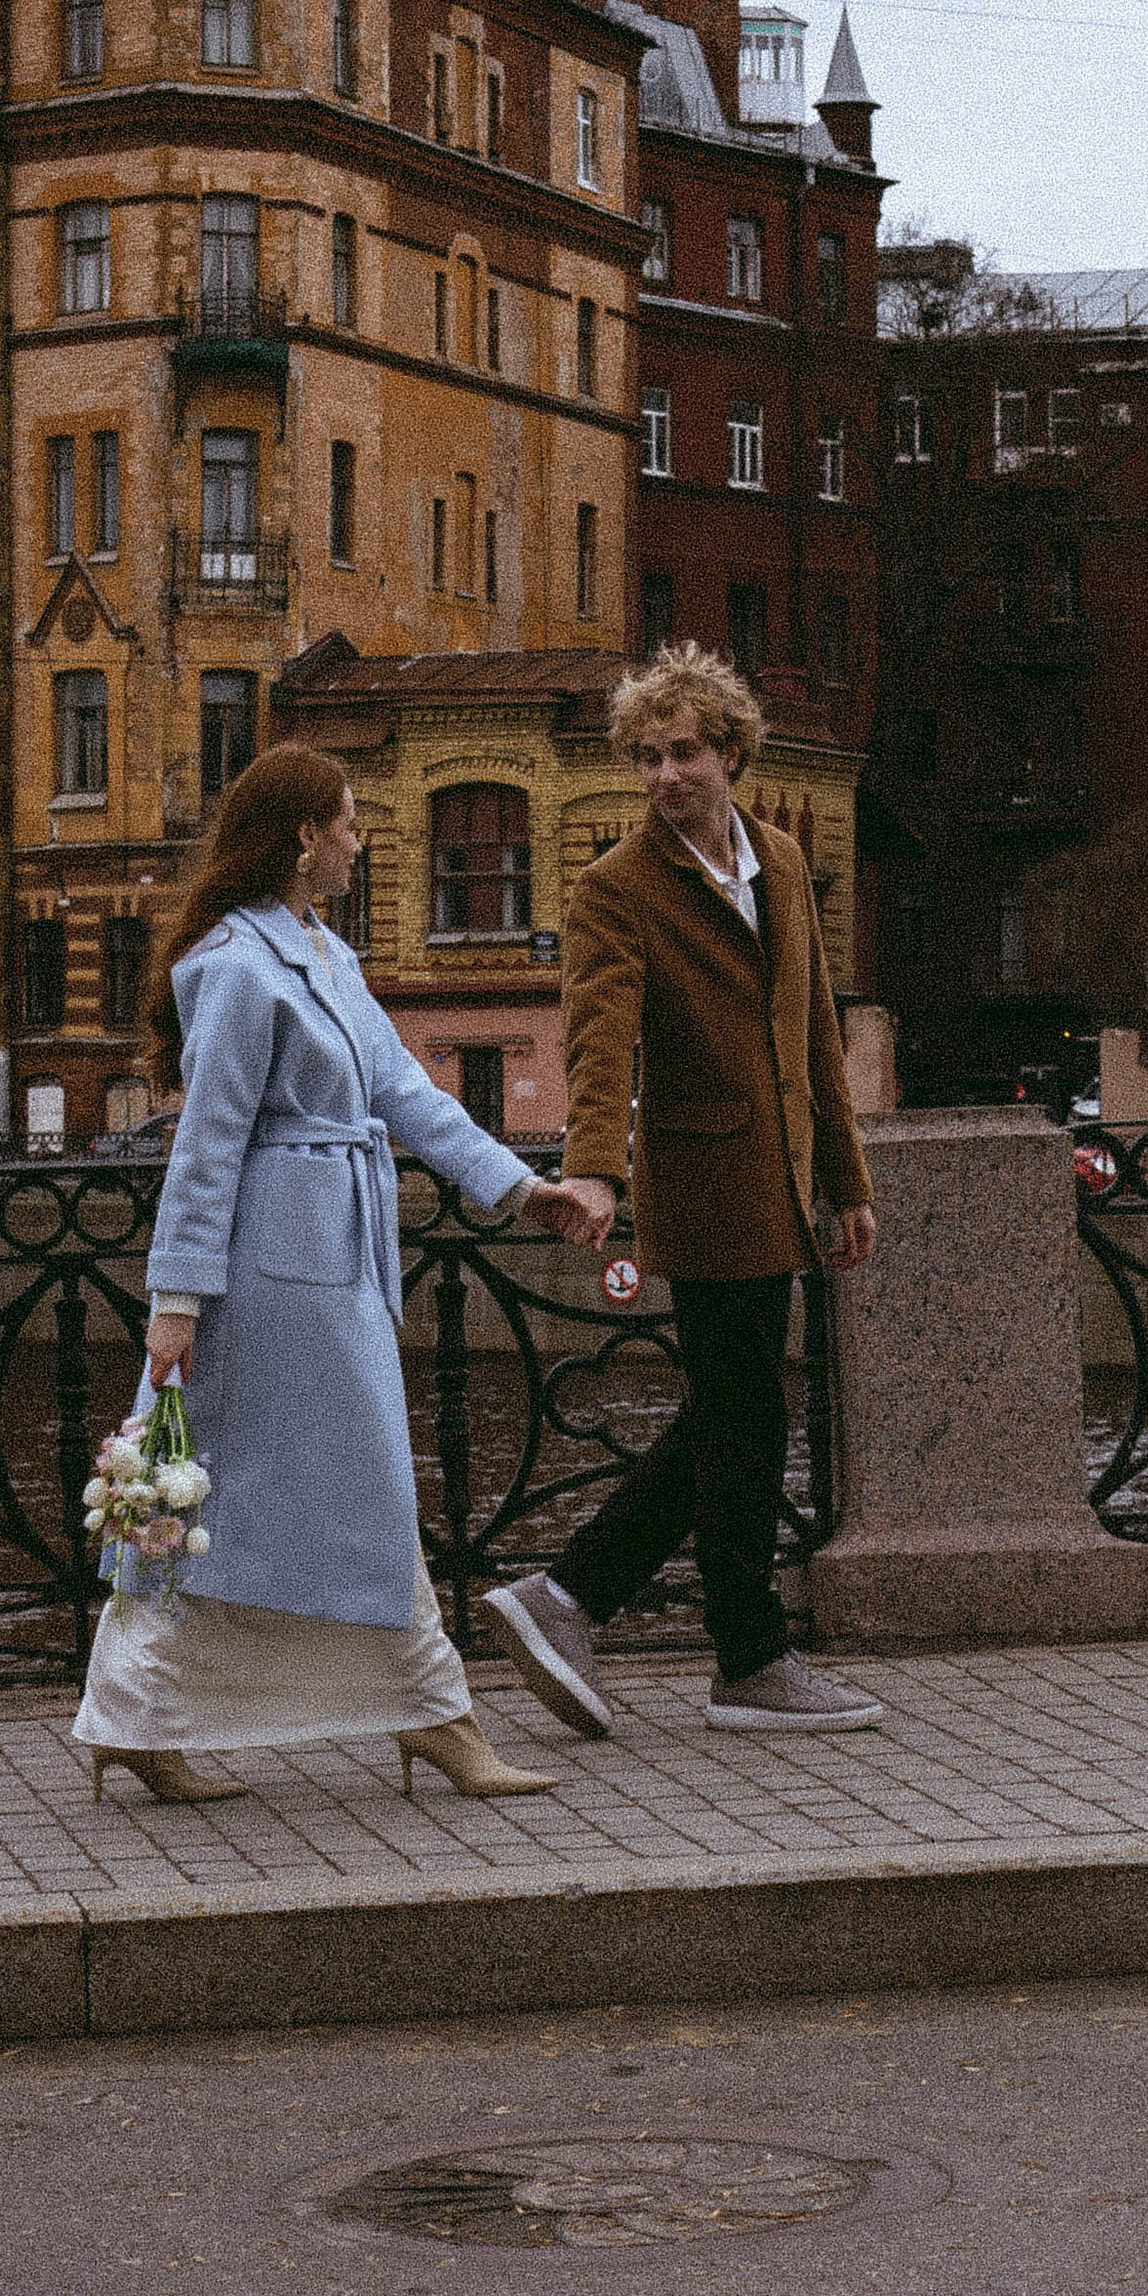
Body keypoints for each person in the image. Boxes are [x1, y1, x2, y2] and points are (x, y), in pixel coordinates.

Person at [74, 745, 613, 1807]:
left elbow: (407, 1094)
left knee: (250, 1501)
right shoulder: (235, 964)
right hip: (271, 1273)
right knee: (313, 1493)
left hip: (325, 1261)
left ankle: (143, 1720)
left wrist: (516, 1189)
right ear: (305, 836)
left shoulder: (320, 952)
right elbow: (207, 1141)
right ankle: (435, 1719)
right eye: (352, 826)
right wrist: (175, 1303)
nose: (363, 845)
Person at [487, 644, 882, 1735]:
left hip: (785, 1179)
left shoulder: (785, 863)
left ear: (733, 754)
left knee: (735, 1411)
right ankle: (742, 1655)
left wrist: (845, 1183)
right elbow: (598, 1033)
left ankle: (570, 1597)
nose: (665, 776)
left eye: (685, 753)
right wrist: (595, 1168)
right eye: (648, 758)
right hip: (705, 1181)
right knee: (744, 1413)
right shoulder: (617, 887)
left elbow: (813, 1030)